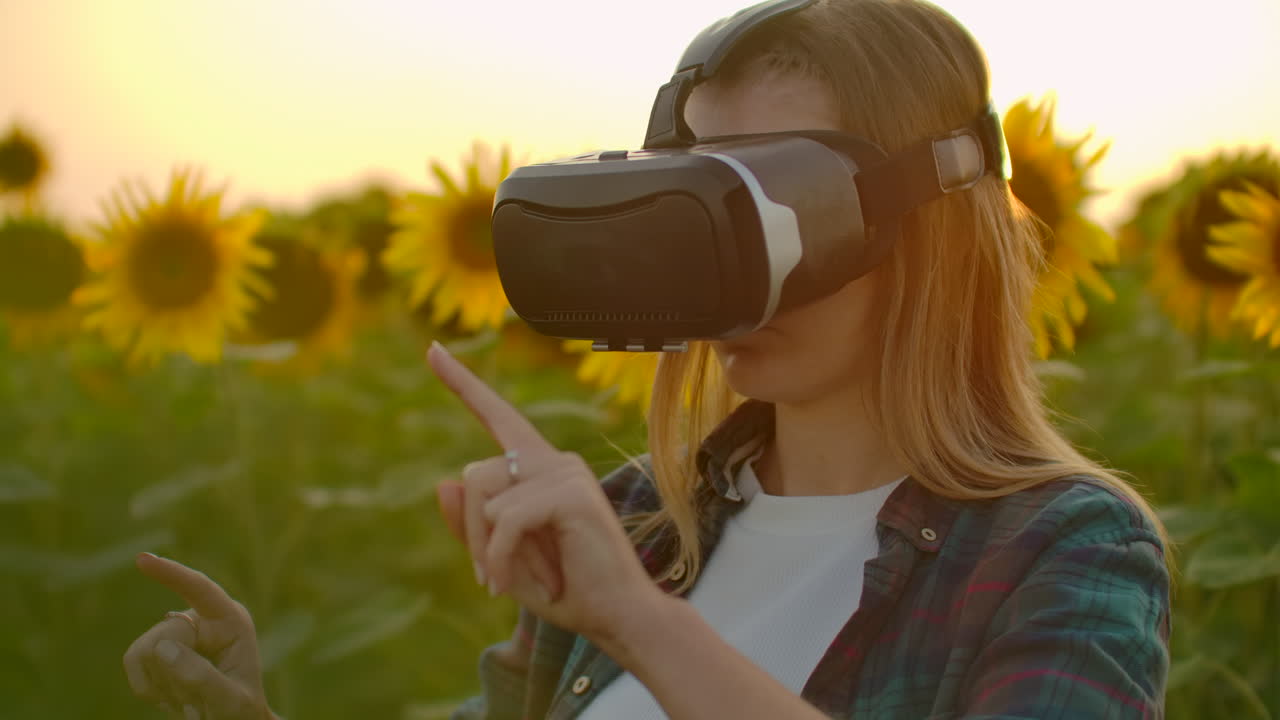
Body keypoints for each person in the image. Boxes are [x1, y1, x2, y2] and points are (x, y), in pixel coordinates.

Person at [122, 0, 1172, 718]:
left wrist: (637, 623)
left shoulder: (1058, 552)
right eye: (702, 203)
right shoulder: (643, 522)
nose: (729, 267)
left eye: (775, 206)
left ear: (928, 225)